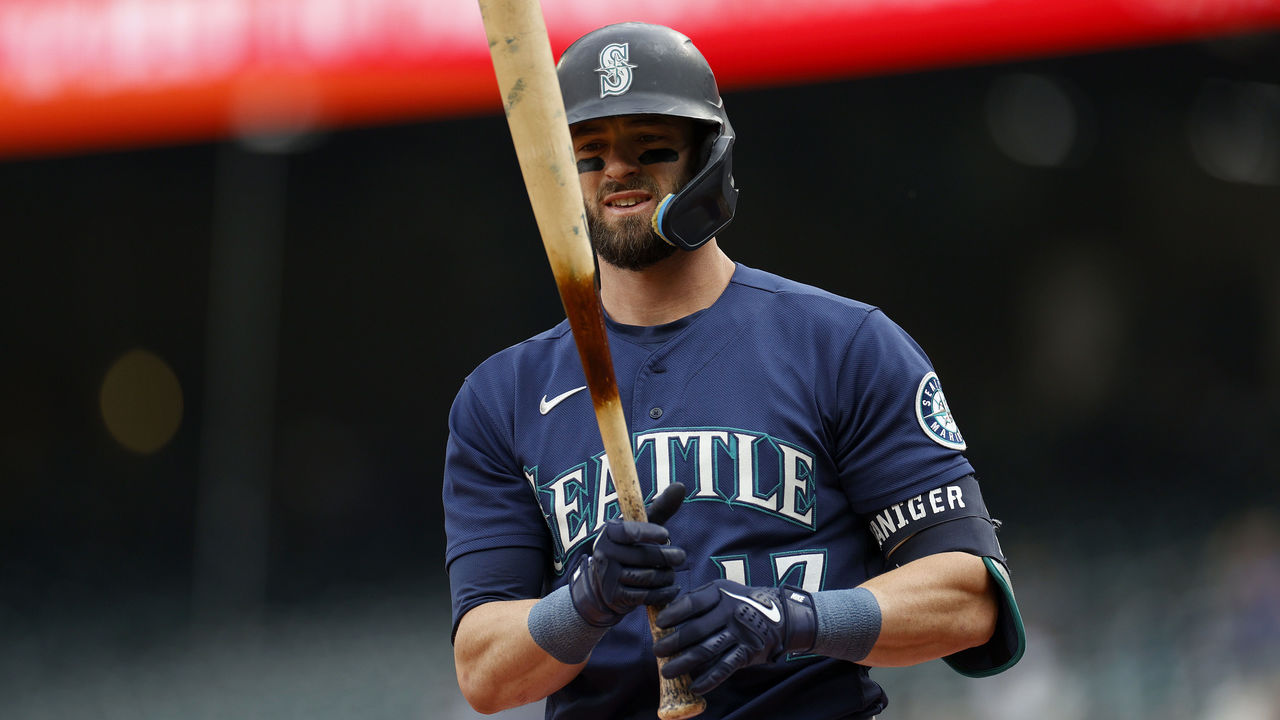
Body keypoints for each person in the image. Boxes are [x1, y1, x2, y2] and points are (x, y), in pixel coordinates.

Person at [444, 21, 1025, 720]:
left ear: (706, 160)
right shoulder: (502, 396)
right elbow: (485, 671)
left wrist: (792, 619)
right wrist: (585, 602)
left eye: (651, 146)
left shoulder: (843, 345)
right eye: (590, 154)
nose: (618, 171)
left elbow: (970, 598)